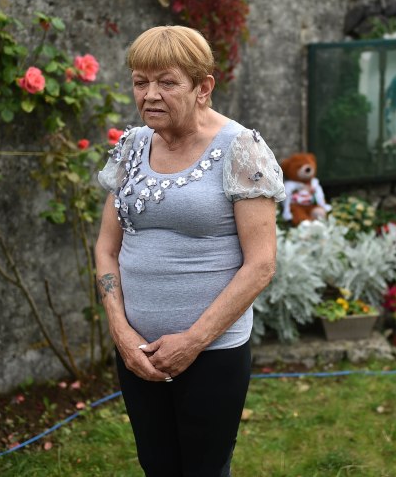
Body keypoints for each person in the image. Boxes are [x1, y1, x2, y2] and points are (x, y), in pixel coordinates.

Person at [94, 25, 285, 476]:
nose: (150, 95)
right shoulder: (132, 146)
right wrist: (121, 332)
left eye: (167, 82)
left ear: (203, 88)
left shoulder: (241, 149)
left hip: (212, 355)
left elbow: (261, 264)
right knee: (156, 465)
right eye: (141, 82)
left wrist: (193, 341)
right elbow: (106, 248)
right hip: (137, 352)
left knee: (204, 469)